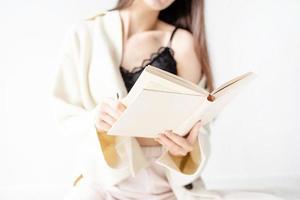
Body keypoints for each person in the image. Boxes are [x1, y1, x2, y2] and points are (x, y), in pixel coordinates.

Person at [52, 0, 284, 199]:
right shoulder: (85, 34)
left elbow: (199, 125)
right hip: (104, 182)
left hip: (166, 186)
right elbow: (65, 115)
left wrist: (186, 148)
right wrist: (96, 119)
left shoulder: (181, 42)